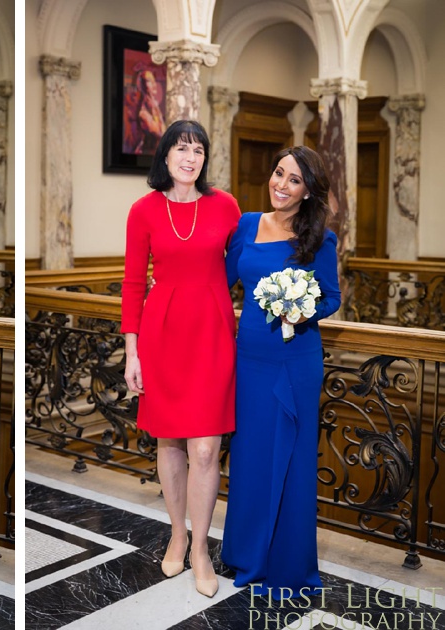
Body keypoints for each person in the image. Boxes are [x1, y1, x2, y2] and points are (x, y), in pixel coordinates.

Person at [122, 119, 240, 598]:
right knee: (170, 439)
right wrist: (132, 351)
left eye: (198, 150)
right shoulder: (144, 210)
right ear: (165, 156)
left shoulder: (226, 206)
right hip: (162, 332)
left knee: (206, 448)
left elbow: (246, 258)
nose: (190, 158)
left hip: (212, 330)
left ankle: (201, 549)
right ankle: (176, 533)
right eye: (181, 148)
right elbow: (132, 283)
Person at [221, 146, 341, 598]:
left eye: (293, 180)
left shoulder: (319, 238)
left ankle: (287, 563)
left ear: (308, 191)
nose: (281, 185)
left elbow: (331, 297)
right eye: (278, 174)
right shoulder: (248, 224)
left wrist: (300, 307)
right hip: (249, 359)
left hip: (296, 359)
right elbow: (223, 279)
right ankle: (246, 554)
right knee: (250, 457)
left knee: (291, 460)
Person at [123, 66, 166, 155]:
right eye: (149, 81)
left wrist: (155, 107)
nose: (154, 84)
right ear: (142, 86)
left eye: (154, 80)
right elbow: (161, 133)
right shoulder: (142, 113)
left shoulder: (154, 108)